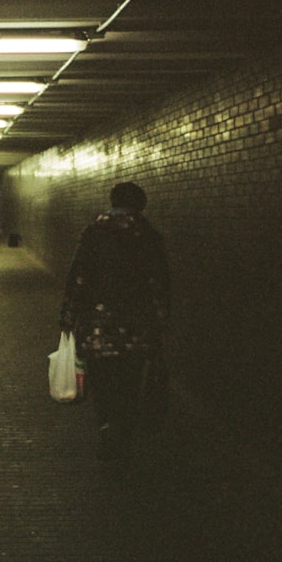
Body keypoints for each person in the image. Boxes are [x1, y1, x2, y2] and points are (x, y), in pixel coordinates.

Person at [59, 181, 170, 461]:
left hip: (98, 328)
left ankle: (107, 427)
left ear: (112, 202)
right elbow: (159, 285)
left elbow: (79, 278)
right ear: (140, 204)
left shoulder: (94, 233)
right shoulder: (149, 236)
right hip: (137, 329)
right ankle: (125, 431)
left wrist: (68, 318)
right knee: (130, 383)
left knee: (104, 382)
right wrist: (161, 324)